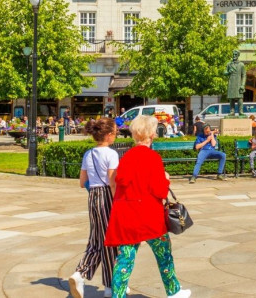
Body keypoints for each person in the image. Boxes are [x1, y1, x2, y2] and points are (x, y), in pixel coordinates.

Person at [104, 115, 190, 298]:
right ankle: (173, 291)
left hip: (127, 216)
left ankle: (117, 295)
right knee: (164, 255)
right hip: (150, 217)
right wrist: (165, 179)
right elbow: (159, 191)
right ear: (152, 134)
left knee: (124, 260)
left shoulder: (126, 157)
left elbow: (121, 181)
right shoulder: (153, 158)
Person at [70, 117, 119, 298]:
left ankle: (81, 274)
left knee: (97, 239)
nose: (116, 136)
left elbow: (83, 183)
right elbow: (113, 182)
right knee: (110, 242)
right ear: (107, 135)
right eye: (115, 133)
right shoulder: (111, 154)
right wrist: (117, 204)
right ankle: (107, 285)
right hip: (107, 196)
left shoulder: (88, 154)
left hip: (93, 197)